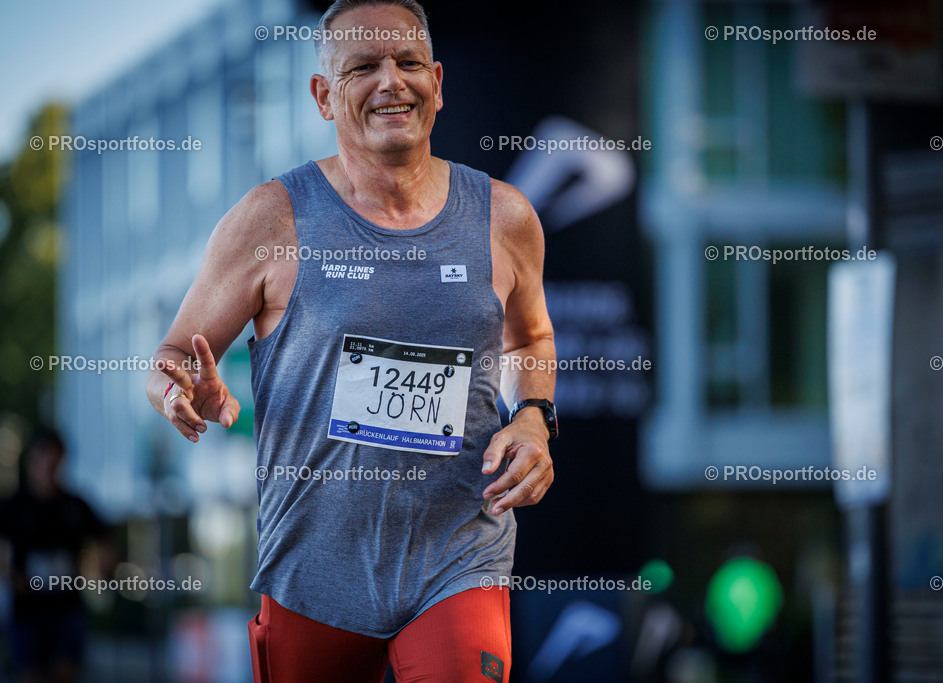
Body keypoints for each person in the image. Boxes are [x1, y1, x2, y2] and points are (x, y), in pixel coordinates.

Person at [145, 1, 557, 680]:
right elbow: (171, 356)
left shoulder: (504, 216)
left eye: (409, 63)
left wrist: (535, 419)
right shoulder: (271, 217)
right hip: (315, 574)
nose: (392, 81)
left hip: (458, 555)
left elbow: (531, 335)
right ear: (323, 96)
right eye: (364, 67)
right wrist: (179, 386)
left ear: (439, 81)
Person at [0, 428, 113, 683]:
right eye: (44, 459)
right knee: (32, 674)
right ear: (32, 460)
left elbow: (105, 537)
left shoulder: (74, 504)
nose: (48, 468)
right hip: (28, 608)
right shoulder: (14, 506)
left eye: (55, 461)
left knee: (66, 671)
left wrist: (102, 568)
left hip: (67, 606)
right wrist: (11, 575)